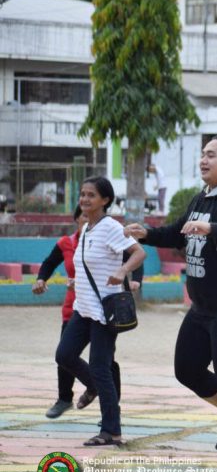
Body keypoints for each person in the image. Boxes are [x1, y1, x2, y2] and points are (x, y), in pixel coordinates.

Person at [125, 136, 217, 472]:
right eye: (202, 155)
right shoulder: (203, 196)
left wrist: (211, 228)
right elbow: (178, 233)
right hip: (202, 306)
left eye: (211, 155)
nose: (203, 160)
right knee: (187, 369)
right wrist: (147, 233)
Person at [55, 177, 146, 447]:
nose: (84, 199)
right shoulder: (88, 229)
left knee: (100, 367)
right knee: (64, 354)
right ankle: (92, 386)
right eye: (82, 194)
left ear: (105, 200)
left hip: (106, 310)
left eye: (90, 195)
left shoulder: (109, 227)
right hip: (83, 307)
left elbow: (138, 253)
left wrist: (122, 271)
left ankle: (112, 431)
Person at [35, 206, 135, 419]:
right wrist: (41, 279)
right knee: (65, 355)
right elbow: (49, 263)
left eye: (89, 214)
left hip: (102, 310)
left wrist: (132, 278)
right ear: (76, 221)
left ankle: (110, 411)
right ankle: (65, 398)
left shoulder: (107, 233)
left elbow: (131, 253)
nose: (86, 218)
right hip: (75, 309)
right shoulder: (68, 242)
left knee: (105, 363)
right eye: (82, 216)